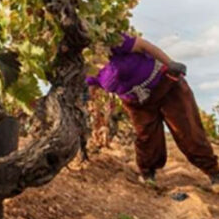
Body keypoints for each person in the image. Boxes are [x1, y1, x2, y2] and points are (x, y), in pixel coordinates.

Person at [87, 33, 219, 190]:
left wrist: (170, 63)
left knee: (187, 131)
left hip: (166, 86)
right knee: (146, 137)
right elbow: (91, 91)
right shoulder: (84, 67)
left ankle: (214, 173)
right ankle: (148, 175)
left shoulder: (111, 41)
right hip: (137, 103)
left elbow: (144, 45)